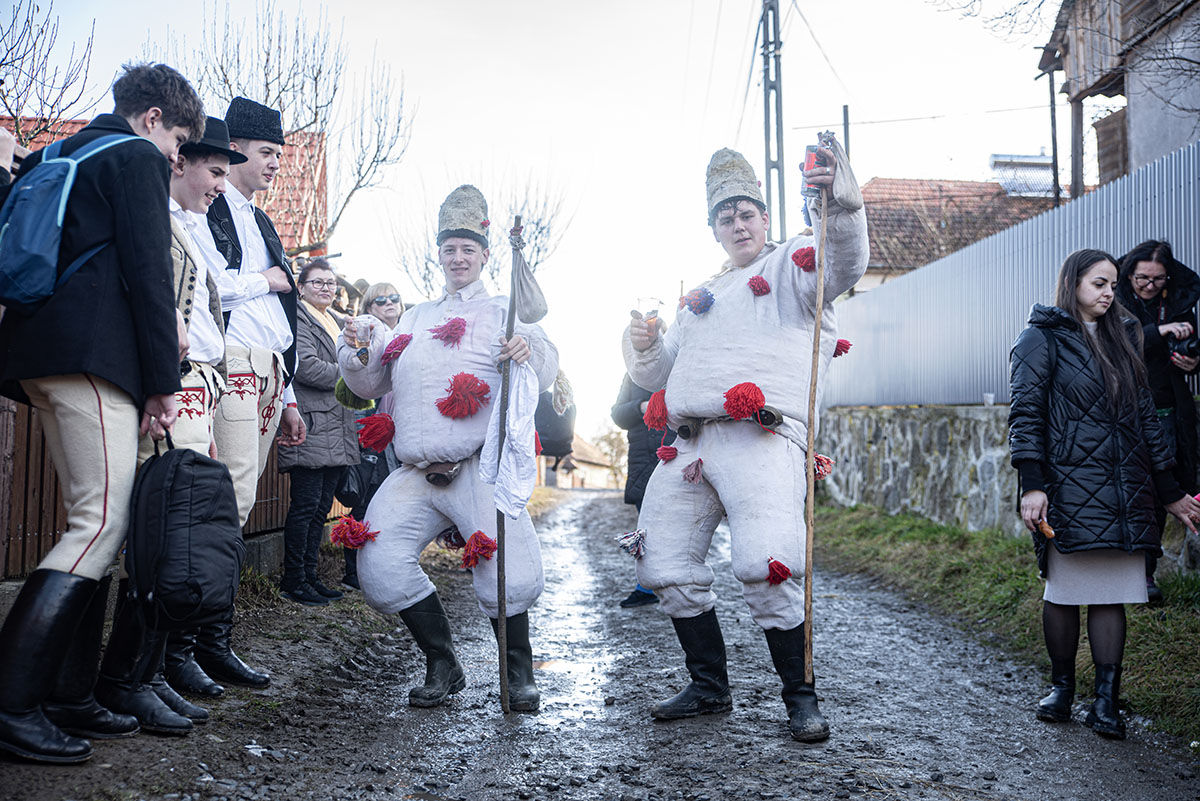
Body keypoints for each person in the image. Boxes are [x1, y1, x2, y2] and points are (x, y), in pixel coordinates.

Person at [623, 146, 867, 742]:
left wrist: (836, 201)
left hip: (763, 438)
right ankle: (709, 688)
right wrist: (643, 342)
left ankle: (800, 698)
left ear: (764, 217)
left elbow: (846, 261)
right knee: (664, 565)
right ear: (713, 229)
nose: (737, 224)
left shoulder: (795, 266)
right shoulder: (698, 299)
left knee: (767, 563)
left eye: (747, 213)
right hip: (687, 449)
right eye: (725, 217)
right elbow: (653, 377)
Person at [0, 62, 204, 764]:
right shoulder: (133, 158)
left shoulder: (64, 151)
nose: (178, 156)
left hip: (42, 354)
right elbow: (149, 275)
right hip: (93, 359)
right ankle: (12, 703)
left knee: (87, 521)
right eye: (179, 140)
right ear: (153, 120)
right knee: (99, 524)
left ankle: (66, 692)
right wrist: (163, 380)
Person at [338, 185, 559, 712]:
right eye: (448, 249)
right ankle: (443, 663)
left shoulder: (505, 311)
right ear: (437, 255)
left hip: (477, 468)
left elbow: (546, 366)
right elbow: (370, 386)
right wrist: (356, 351)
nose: (457, 258)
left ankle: (517, 672)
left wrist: (527, 350)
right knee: (379, 563)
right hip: (414, 471)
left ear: (484, 254)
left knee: (508, 573)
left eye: (467, 249)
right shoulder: (413, 318)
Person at [93, 116, 246, 737]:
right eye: (213, 170)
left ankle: (148, 673)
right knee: (161, 535)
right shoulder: (156, 216)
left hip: (199, 382)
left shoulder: (191, 227)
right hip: (173, 380)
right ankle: (128, 678)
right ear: (179, 161)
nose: (219, 184)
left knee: (175, 533)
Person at [1009, 248, 1200, 740]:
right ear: (1072, 282)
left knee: (1113, 591)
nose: (1109, 293)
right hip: (1068, 485)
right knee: (1066, 588)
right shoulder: (1040, 338)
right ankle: (1063, 688)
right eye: (1099, 283)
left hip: (1127, 486)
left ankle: (1106, 700)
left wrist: (1171, 493)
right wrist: (1033, 485)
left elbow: (1145, 421)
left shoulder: (1125, 336)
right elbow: (1025, 415)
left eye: (1113, 285)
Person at [183, 96, 305, 693]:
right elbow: (211, 291)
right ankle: (201, 644)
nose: (276, 163)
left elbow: (276, 321)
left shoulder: (258, 219)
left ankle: (212, 640)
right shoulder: (209, 208)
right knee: (226, 500)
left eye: (279, 153)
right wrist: (270, 280)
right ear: (233, 158)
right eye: (265, 152)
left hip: (266, 371)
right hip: (230, 362)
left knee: (243, 497)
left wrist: (286, 397)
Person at [1114, 241, 1200, 603]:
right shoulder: (1113, 299)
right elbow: (1114, 343)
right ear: (1129, 274)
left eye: (1157, 279)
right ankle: (1134, 572)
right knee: (1138, 493)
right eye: (1142, 278)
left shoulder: (1177, 303)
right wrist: (1160, 332)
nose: (1149, 286)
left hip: (1170, 410)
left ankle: (1146, 573)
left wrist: (1194, 363)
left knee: (1169, 489)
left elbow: (1192, 343)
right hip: (1126, 410)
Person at [276, 259, 360, 605]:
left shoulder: (335, 321)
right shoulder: (298, 316)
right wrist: (353, 375)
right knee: (305, 505)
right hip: (311, 420)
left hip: (336, 424)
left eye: (330, 283)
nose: (326, 288)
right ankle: (293, 580)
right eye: (317, 283)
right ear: (302, 286)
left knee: (322, 505)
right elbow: (306, 366)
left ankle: (309, 577)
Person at [340, 282, 404, 590]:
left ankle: (381, 570)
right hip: (373, 429)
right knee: (366, 500)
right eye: (381, 299)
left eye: (394, 298)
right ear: (369, 308)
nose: (390, 303)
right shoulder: (365, 332)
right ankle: (354, 573)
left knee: (393, 503)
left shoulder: (407, 334)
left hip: (401, 431)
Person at [611, 372, 675, 607]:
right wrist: (642, 406)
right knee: (646, 526)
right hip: (642, 460)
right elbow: (617, 414)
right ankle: (645, 587)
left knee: (680, 524)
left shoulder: (681, 362)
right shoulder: (634, 375)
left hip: (678, 454)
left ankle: (678, 584)